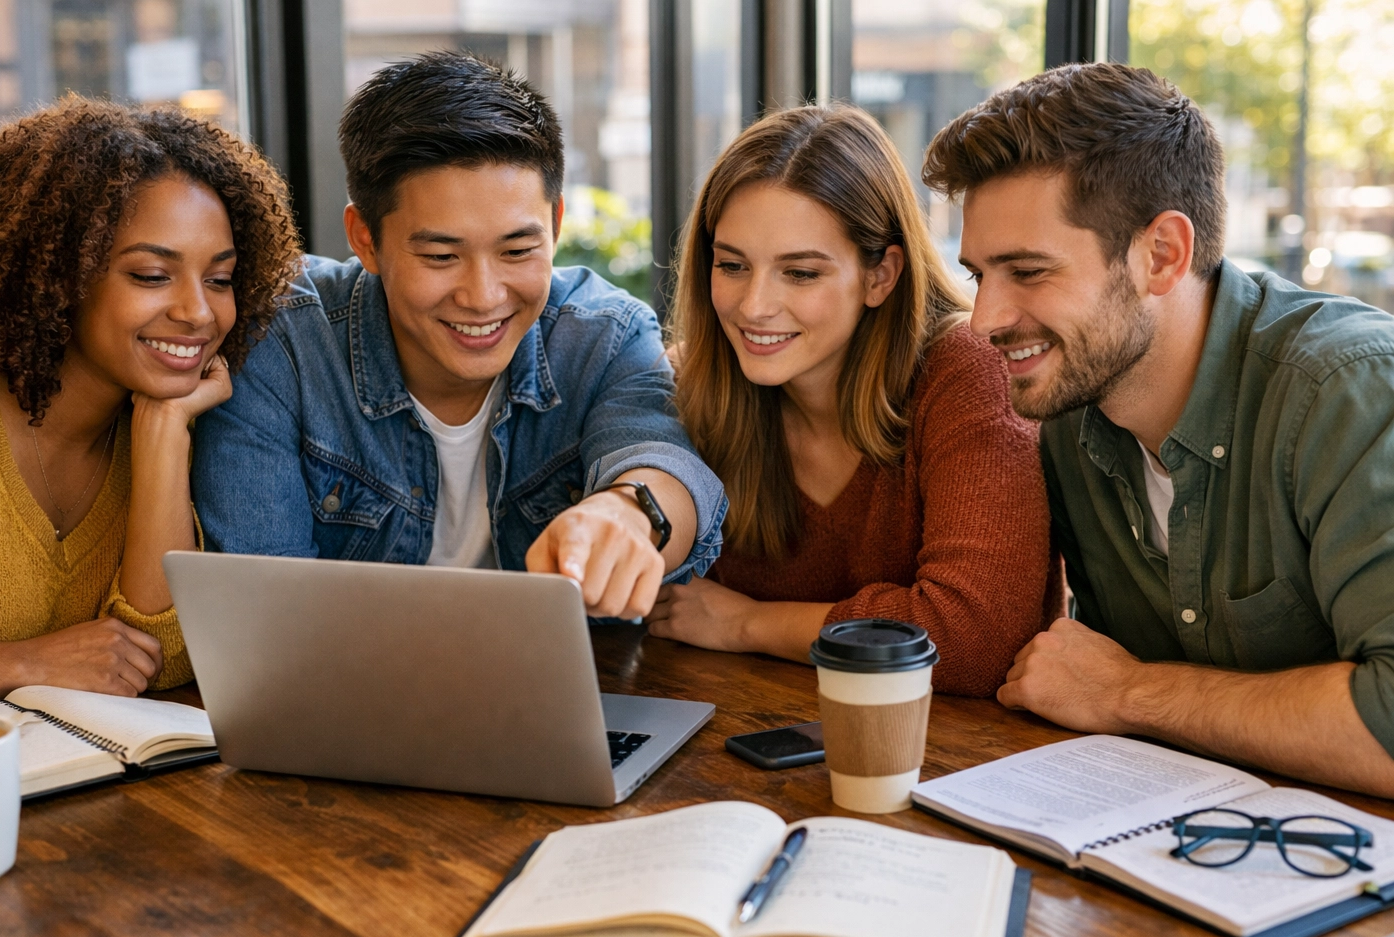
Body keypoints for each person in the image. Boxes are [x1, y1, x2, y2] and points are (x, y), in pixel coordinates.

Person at [924, 61, 1394, 796]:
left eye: (1029, 271)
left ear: (1162, 255)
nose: (984, 321)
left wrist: (1128, 692)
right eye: (981, 275)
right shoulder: (1069, 411)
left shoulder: (1347, 390)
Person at [192, 53, 725, 616]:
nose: (483, 296)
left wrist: (630, 513)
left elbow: (661, 458)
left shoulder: (604, 335)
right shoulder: (284, 337)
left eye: (517, 251)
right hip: (336, 671)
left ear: (556, 223)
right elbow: (264, 608)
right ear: (365, 238)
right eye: (441, 256)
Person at [0, 97, 302, 725]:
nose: (199, 313)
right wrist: (25, 663)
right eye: (152, 275)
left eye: (220, 279)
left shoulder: (172, 419)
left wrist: (162, 432)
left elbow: (155, 661)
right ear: (58, 274)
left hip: (71, 777)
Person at [645, 105, 1061, 695]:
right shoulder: (692, 384)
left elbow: (973, 639)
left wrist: (746, 623)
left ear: (879, 276)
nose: (754, 306)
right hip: (751, 724)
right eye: (732, 265)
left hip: (944, 745)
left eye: (801, 273)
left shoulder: (967, 371)